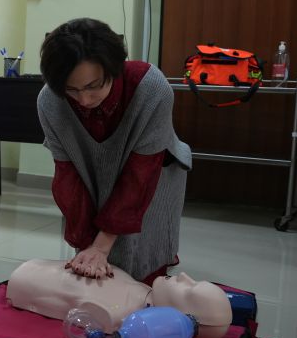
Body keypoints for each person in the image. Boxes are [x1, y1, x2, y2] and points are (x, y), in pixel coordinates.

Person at [37, 18, 192, 282]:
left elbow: (140, 174)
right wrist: (88, 246)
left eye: (93, 86)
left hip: (154, 173)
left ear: (115, 68)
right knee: (95, 270)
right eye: (71, 89)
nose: (83, 100)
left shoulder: (151, 88)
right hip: (90, 175)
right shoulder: (51, 100)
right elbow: (68, 177)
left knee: (142, 268)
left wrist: (102, 245)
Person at [5, 259, 232, 338]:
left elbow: (84, 308)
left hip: (27, 281)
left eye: (188, 291)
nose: (184, 277)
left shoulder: (122, 315)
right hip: (40, 269)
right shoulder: (144, 292)